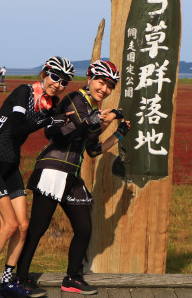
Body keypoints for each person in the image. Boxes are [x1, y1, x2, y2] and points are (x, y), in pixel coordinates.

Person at [15, 60, 129, 296]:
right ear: (90, 79)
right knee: (38, 228)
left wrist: (118, 133)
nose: (104, 89)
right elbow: (75, 132)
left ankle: (72, 278)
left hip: (71, 174)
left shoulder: (92, 109)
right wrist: (101, 121)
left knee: (84, 227)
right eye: (101, 81)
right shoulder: (74, 99)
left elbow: (93, 150)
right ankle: (20, 278)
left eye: (110, 86)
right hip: (54, 168)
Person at [0, 57, 75, 298]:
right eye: (55, 77)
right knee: (8, 225)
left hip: (11, 164)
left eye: (65, 82)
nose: (59, 84)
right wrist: (49, 119)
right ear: (44, 73)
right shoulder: (24, 92)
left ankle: (8, 281)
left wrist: (84, 124)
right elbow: (17, 128)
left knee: (23, 226)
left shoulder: (50, 103)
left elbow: (52, 132)